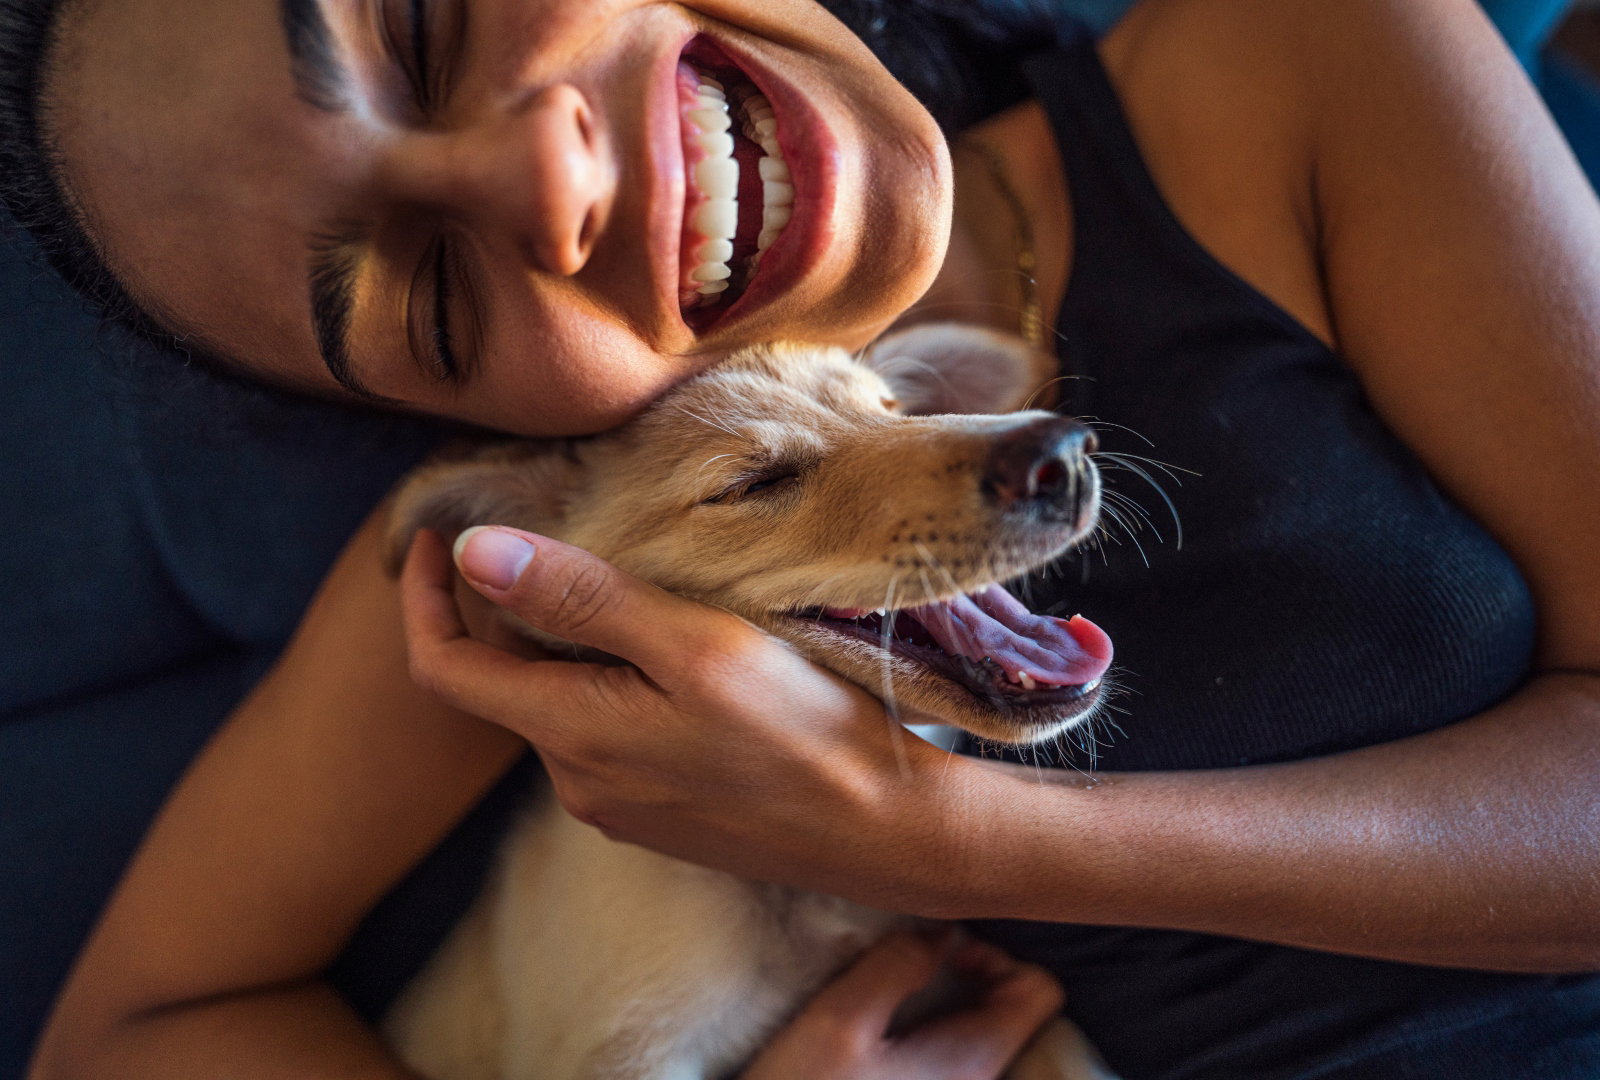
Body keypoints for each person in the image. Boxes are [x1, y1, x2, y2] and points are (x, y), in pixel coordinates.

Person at [3, 0, 1599, 1078]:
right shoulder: (544, 548)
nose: (545, 175)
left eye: (419, 21)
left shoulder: (1315, 54)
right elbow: (138, 1032)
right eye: (428, 292)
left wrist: (931, 839)